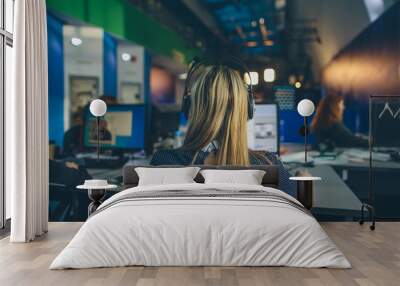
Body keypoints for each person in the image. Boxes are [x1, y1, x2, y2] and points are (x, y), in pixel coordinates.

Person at [150, 63, 295, 196]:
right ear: (248, 110)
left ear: (190, 108)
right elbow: (299, 212)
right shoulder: (268, 165)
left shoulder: (163, 161)